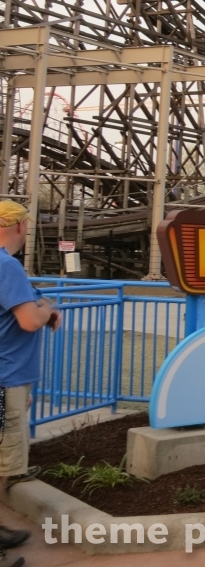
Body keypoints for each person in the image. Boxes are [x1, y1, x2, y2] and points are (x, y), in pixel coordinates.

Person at [0, 200, 62, 564]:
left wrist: (41, 306)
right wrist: (46, 308)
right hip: (5, 376)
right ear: (22, 227)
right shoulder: (7, 266)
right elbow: (28, 319)